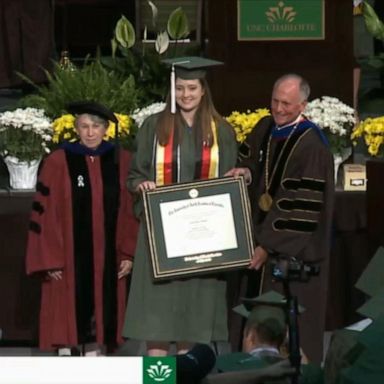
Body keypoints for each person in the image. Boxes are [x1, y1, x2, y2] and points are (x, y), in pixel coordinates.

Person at [122, 56, 238, 356]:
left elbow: (229, 182)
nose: (186, 94)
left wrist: (242, 176)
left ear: (203, 90)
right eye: (180, 88)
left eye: (192, 88)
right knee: (156, 325)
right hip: (159, 238)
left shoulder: (221, 130)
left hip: (202, 240)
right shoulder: (153, 126)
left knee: (193, 324)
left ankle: (187, 377)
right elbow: (135, 175)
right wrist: (141, 185)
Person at [226, 74, 334, 363]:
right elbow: (249, 161)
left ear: (302, 105)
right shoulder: (265, 127)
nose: (278, 108)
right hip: (258, 243)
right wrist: (245, 172)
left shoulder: (313, 146)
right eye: (275, 100)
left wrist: (267, 246)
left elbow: (302, 210)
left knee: (287, 330)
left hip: (290, 257)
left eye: (286, 103)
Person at [26, 101, 138, 355]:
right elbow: (45, 213)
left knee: (104, 309)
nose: (90, 132)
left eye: (96, 126)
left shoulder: (121, 160)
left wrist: (128, 253)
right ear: (76, 128)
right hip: (68, 257)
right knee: (68, 307)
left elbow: (130, 212)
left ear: (106, 128)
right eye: (84, 126)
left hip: (109, 256)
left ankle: (96, 348)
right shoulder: (58, 161)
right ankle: (68, 350)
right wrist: (51, 259)